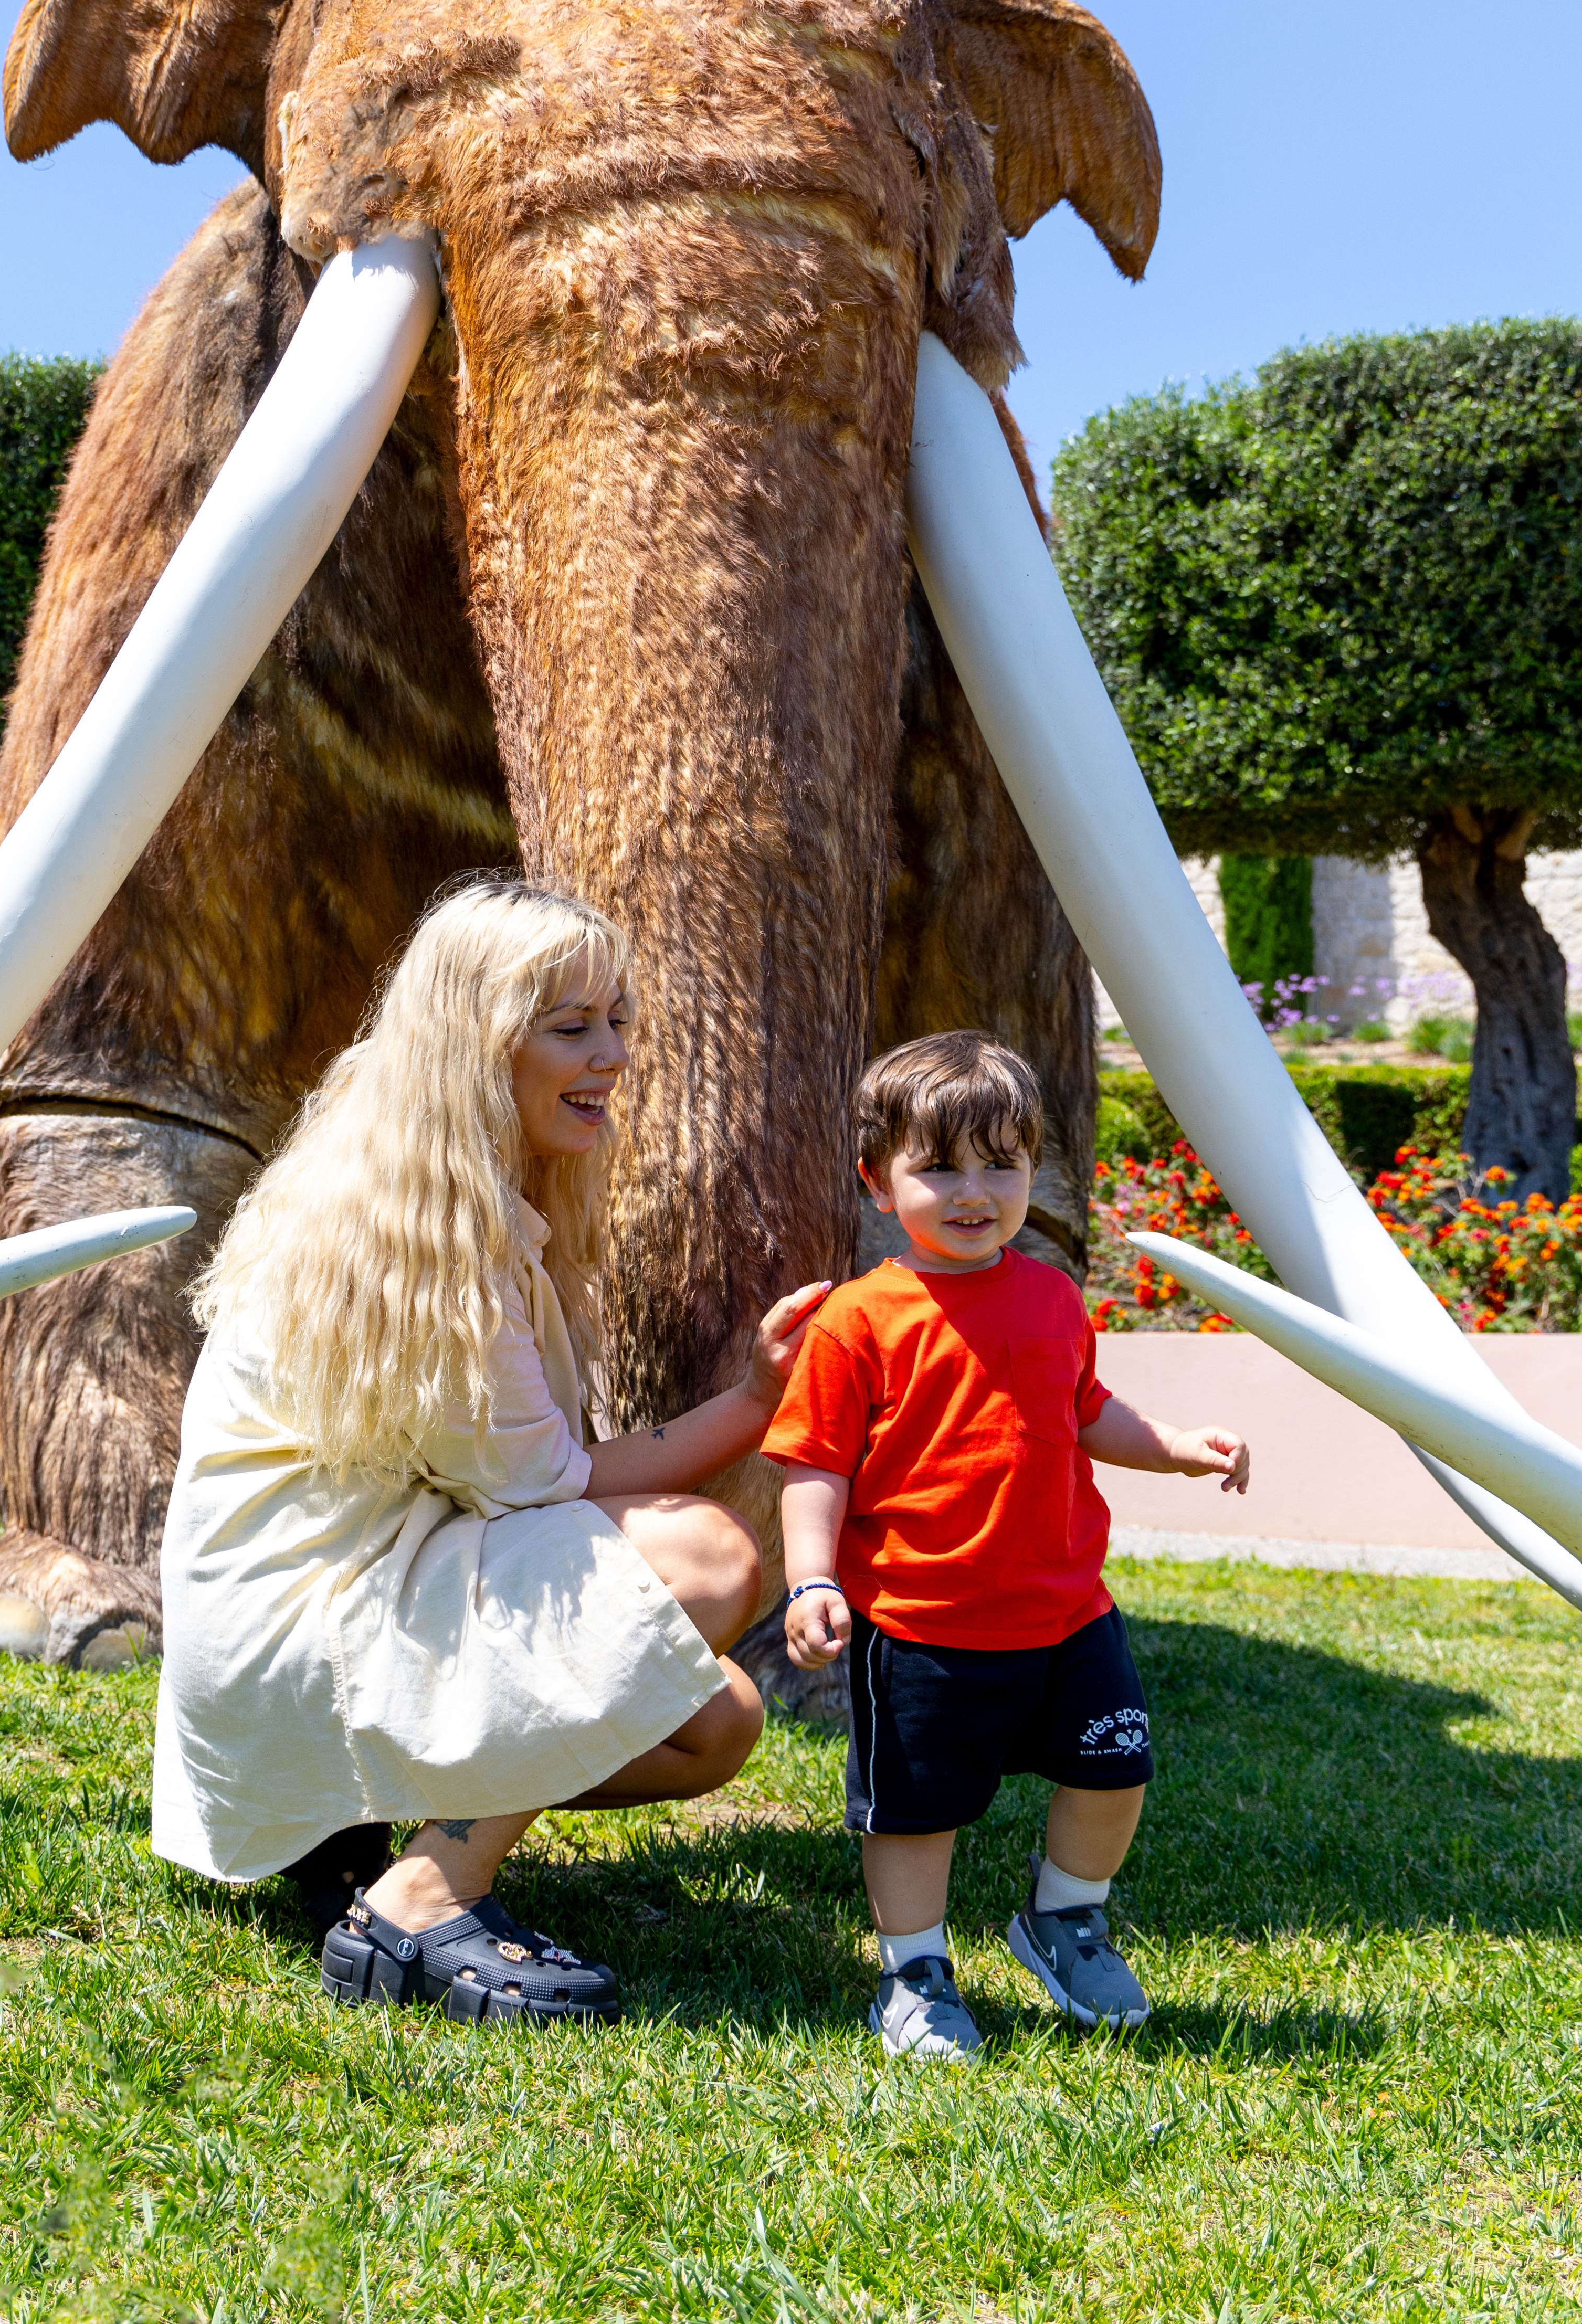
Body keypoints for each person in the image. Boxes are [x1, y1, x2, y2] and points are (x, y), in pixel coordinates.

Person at [151, 875, 829, 2025]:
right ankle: (419, 1898)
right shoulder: (420, 1248)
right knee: (704, 1565)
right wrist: (751, 1410)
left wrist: (755, 1396)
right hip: (302, 1646)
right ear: (472, 1048)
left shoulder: (423, 1191)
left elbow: (531, 1483)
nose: (610, 1054)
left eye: (617, 1020)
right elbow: (549, 1491)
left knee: (711, 1716)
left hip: (333, 1628)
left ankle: (361, 1827)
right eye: (569, 1028)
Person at [766, 1030, 1250, 2062]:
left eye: (1000, 1161)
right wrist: (810, 1576)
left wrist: (1170, 1447)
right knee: (913, 1815)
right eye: (937, 1166)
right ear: (875, 1179)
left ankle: (1063, 1919)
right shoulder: (856, 1322)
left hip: (1067, 1611)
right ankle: (914, 1977)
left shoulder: (1049, 1296)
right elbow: (813, 1463)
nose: (972, 1189)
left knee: (1114, 1769)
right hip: (921, 1627)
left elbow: (1083, 1412)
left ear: (1033, 1169)